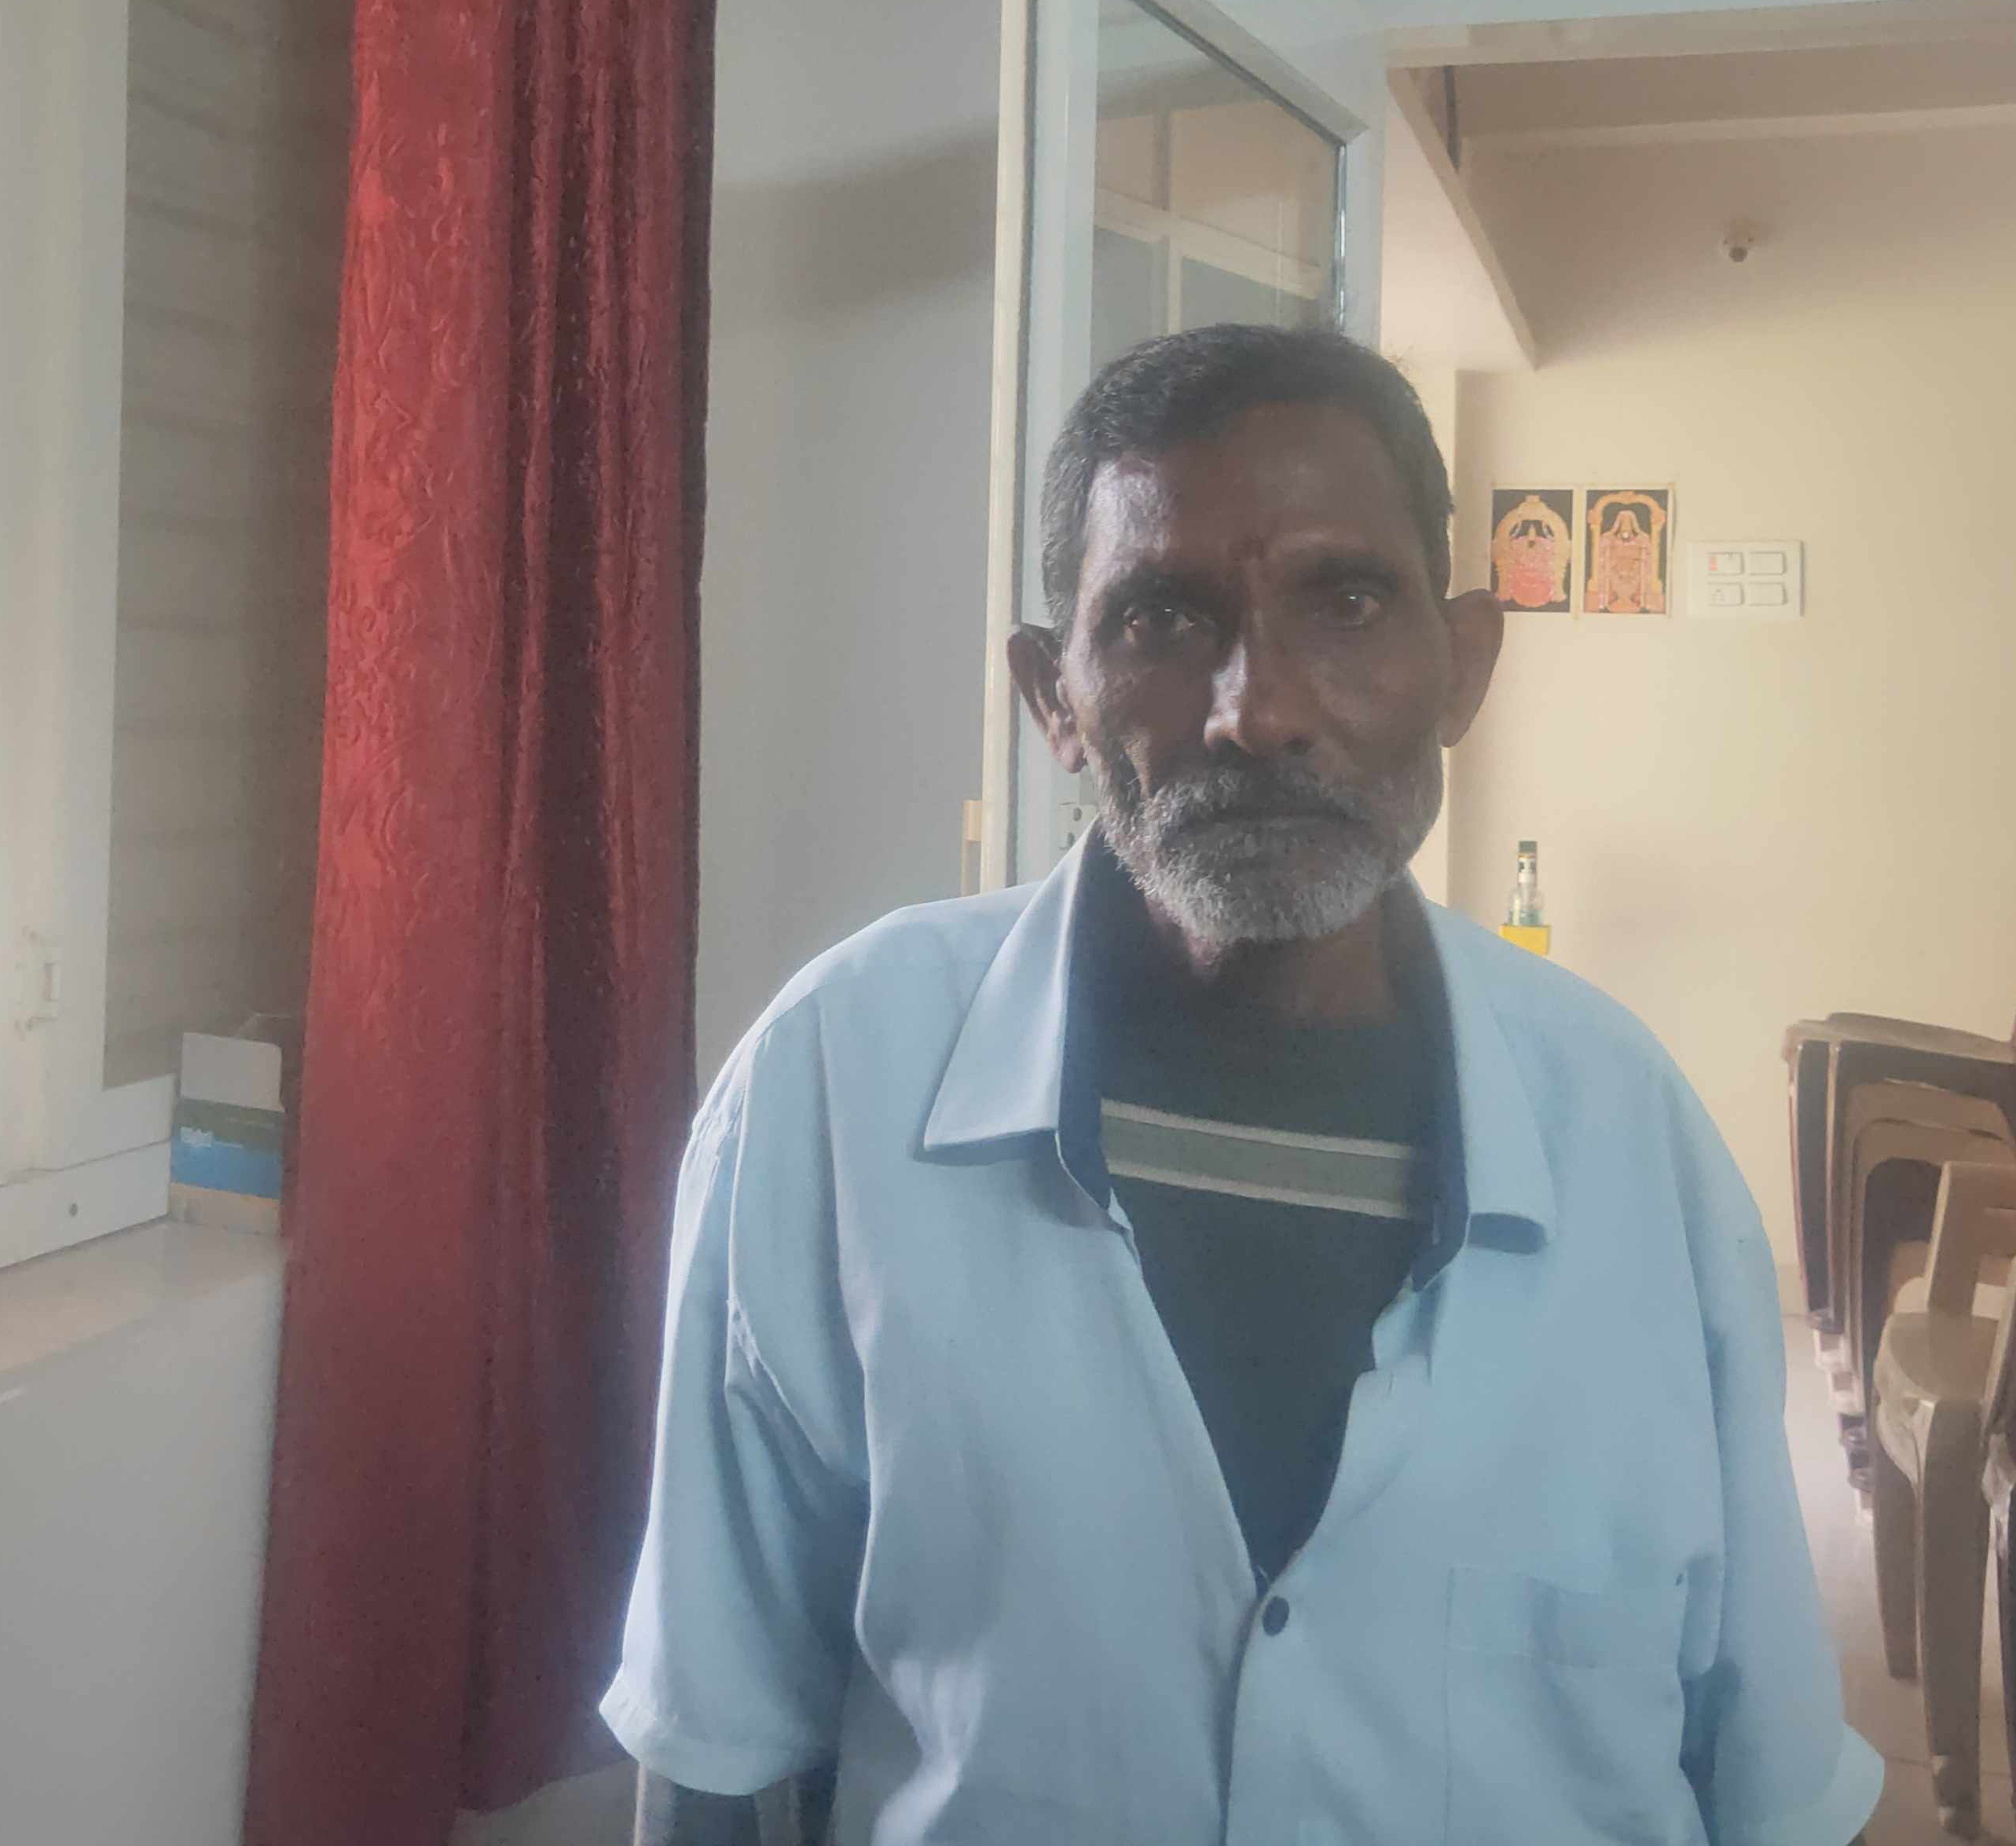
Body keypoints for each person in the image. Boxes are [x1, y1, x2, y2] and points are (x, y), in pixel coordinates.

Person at [605, 326, 1880, 1845]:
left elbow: (1769, 1777)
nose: (1256, 710)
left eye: (1346, 602)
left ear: (1464, 665)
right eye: (1162, 618)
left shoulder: (1628, 1138)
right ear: (1053, 695)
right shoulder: (836, 1085)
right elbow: (718, 1728)